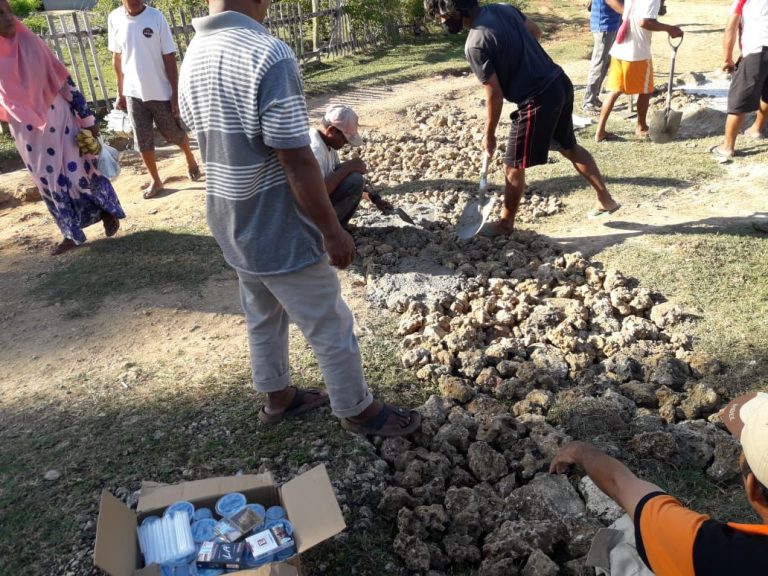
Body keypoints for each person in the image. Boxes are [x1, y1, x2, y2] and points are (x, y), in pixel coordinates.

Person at [178, 0, 421, 437]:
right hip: (276, 223)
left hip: (230, 218)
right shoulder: (266, 52)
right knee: (329, 321)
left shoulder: (194, 51)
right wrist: (332, 231)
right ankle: (358, 411)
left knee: (263, 315)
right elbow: (296, 160)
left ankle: (278, 398)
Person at [424, 0, 620, 235]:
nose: (442, 23)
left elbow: (494, 95)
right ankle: (605, 199)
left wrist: (489, 135)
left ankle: (506, 224)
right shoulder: (502, 8)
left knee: (512, 165)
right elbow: (535, 32)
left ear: (453, 12)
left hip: (536, 100)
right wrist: (518, 55)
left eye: (441, 18)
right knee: (569, 147)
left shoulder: (474, 44)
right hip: (559, 82)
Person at [550, 391, 768, 575]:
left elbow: (622, 485)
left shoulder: (714, 550)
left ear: (752, 488)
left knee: (627, 532)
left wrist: (578, 450)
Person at [0, 0, 124, 255]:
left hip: (60, 119)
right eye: (0, 15)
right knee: (47, 181)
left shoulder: (32, 42)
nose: (9, 18)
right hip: (27, 131)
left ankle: (106, 210)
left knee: (80, 170)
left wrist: (88, 118)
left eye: (8, 12)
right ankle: (70, 232)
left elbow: (63, 79)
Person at [108, 0, 201, 198]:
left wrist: (175, 94)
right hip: (133, 92)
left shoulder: (156, 17)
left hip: (159, 90)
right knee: (142, 138)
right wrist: (120, 91)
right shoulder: (114, 18)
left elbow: (169, 56)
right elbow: (117, 58)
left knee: (172, 133)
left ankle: (189, 156)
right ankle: (156, 180)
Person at [594, 0, 683, 142]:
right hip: (637, 54)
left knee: (615, 91)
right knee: (646, 90)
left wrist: (659, 9)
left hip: (620, 49)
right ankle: (641, 127)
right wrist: (670, 29)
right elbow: (644, 22)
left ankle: (600, 132)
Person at [309, 104, 394, 228]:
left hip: (312, 208)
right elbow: (314, 194)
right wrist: (348, 167)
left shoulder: (327, 144)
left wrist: (375, 199)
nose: (346, 143)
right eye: (345, 139)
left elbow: (337, 178)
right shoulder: (315, 150)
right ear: (331, 131)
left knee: (350, 176)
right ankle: (328, 232)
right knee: (354, 179)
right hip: (301, 215)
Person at [710, 0, 768, 163]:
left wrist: (727, 59)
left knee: (738, 99)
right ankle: (756, 129)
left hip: (757, 50)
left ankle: (727, 147)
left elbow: (731, 27)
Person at [583, 0, 624, 116]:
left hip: (612, 24)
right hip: (604, 25)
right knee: (599, 64)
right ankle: (588, 102)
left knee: (605, 63)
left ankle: (594, 97)